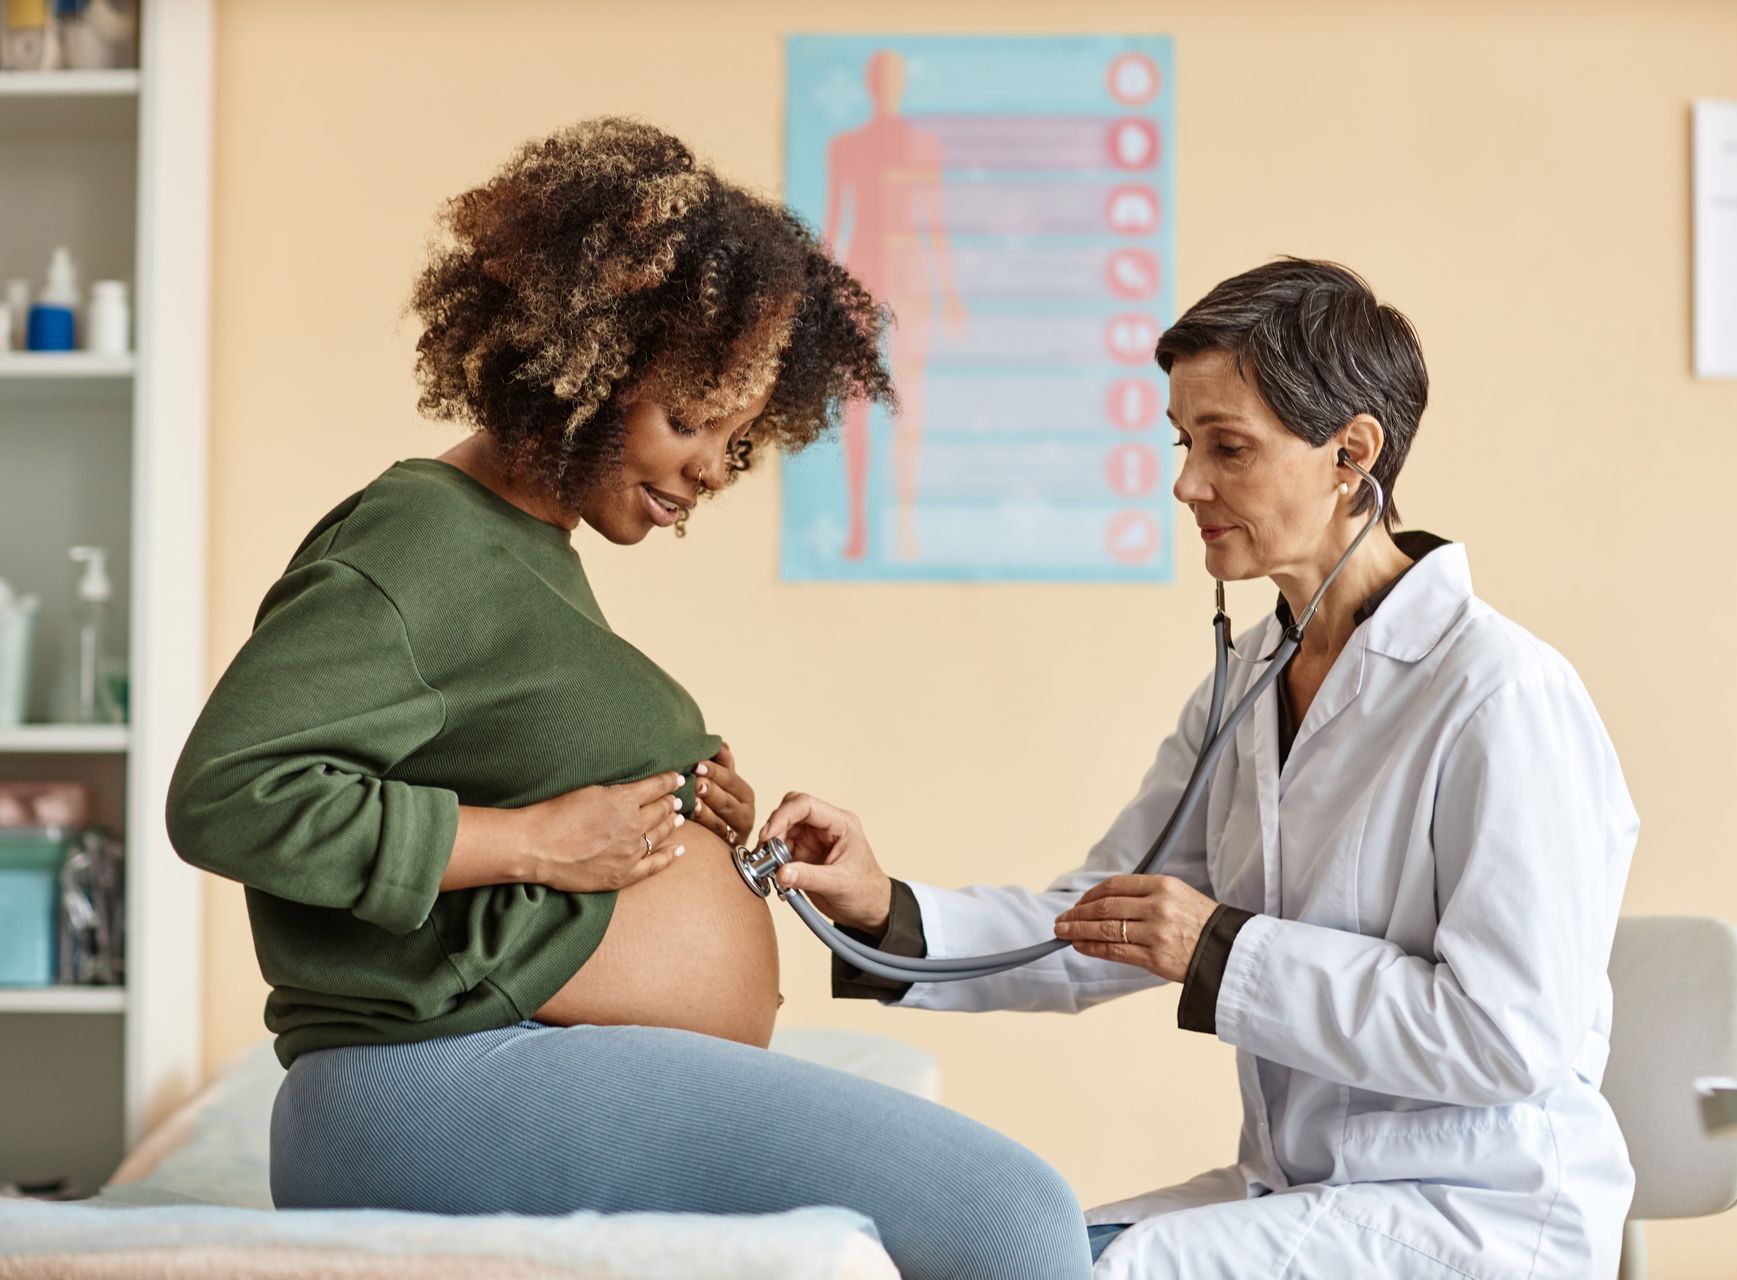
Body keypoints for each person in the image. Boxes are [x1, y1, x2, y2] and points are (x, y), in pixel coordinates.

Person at [166, 117, 1093, 1280]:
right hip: (419, 1080)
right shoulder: (415, 541)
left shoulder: (523, 547)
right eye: (691, 419)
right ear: (584, 367)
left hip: (475, 1063)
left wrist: (690, 813)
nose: (713, 467)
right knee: (1015, 1217)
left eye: (738, 439)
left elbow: (482, 746)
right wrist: (541, 840)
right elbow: (231, 794)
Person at [764, 258, 1640, 1278]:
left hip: (1479, 1211)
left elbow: (1507, 1035)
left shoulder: (1503, 694)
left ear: (1352, 451)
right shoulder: (1246, 684)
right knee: (1000, 1252)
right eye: (1185, 444)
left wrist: (1223, 948)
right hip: (1304, 1194)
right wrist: (885, 910)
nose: (1187, 483)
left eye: (1228, 446)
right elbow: (1111, 918)